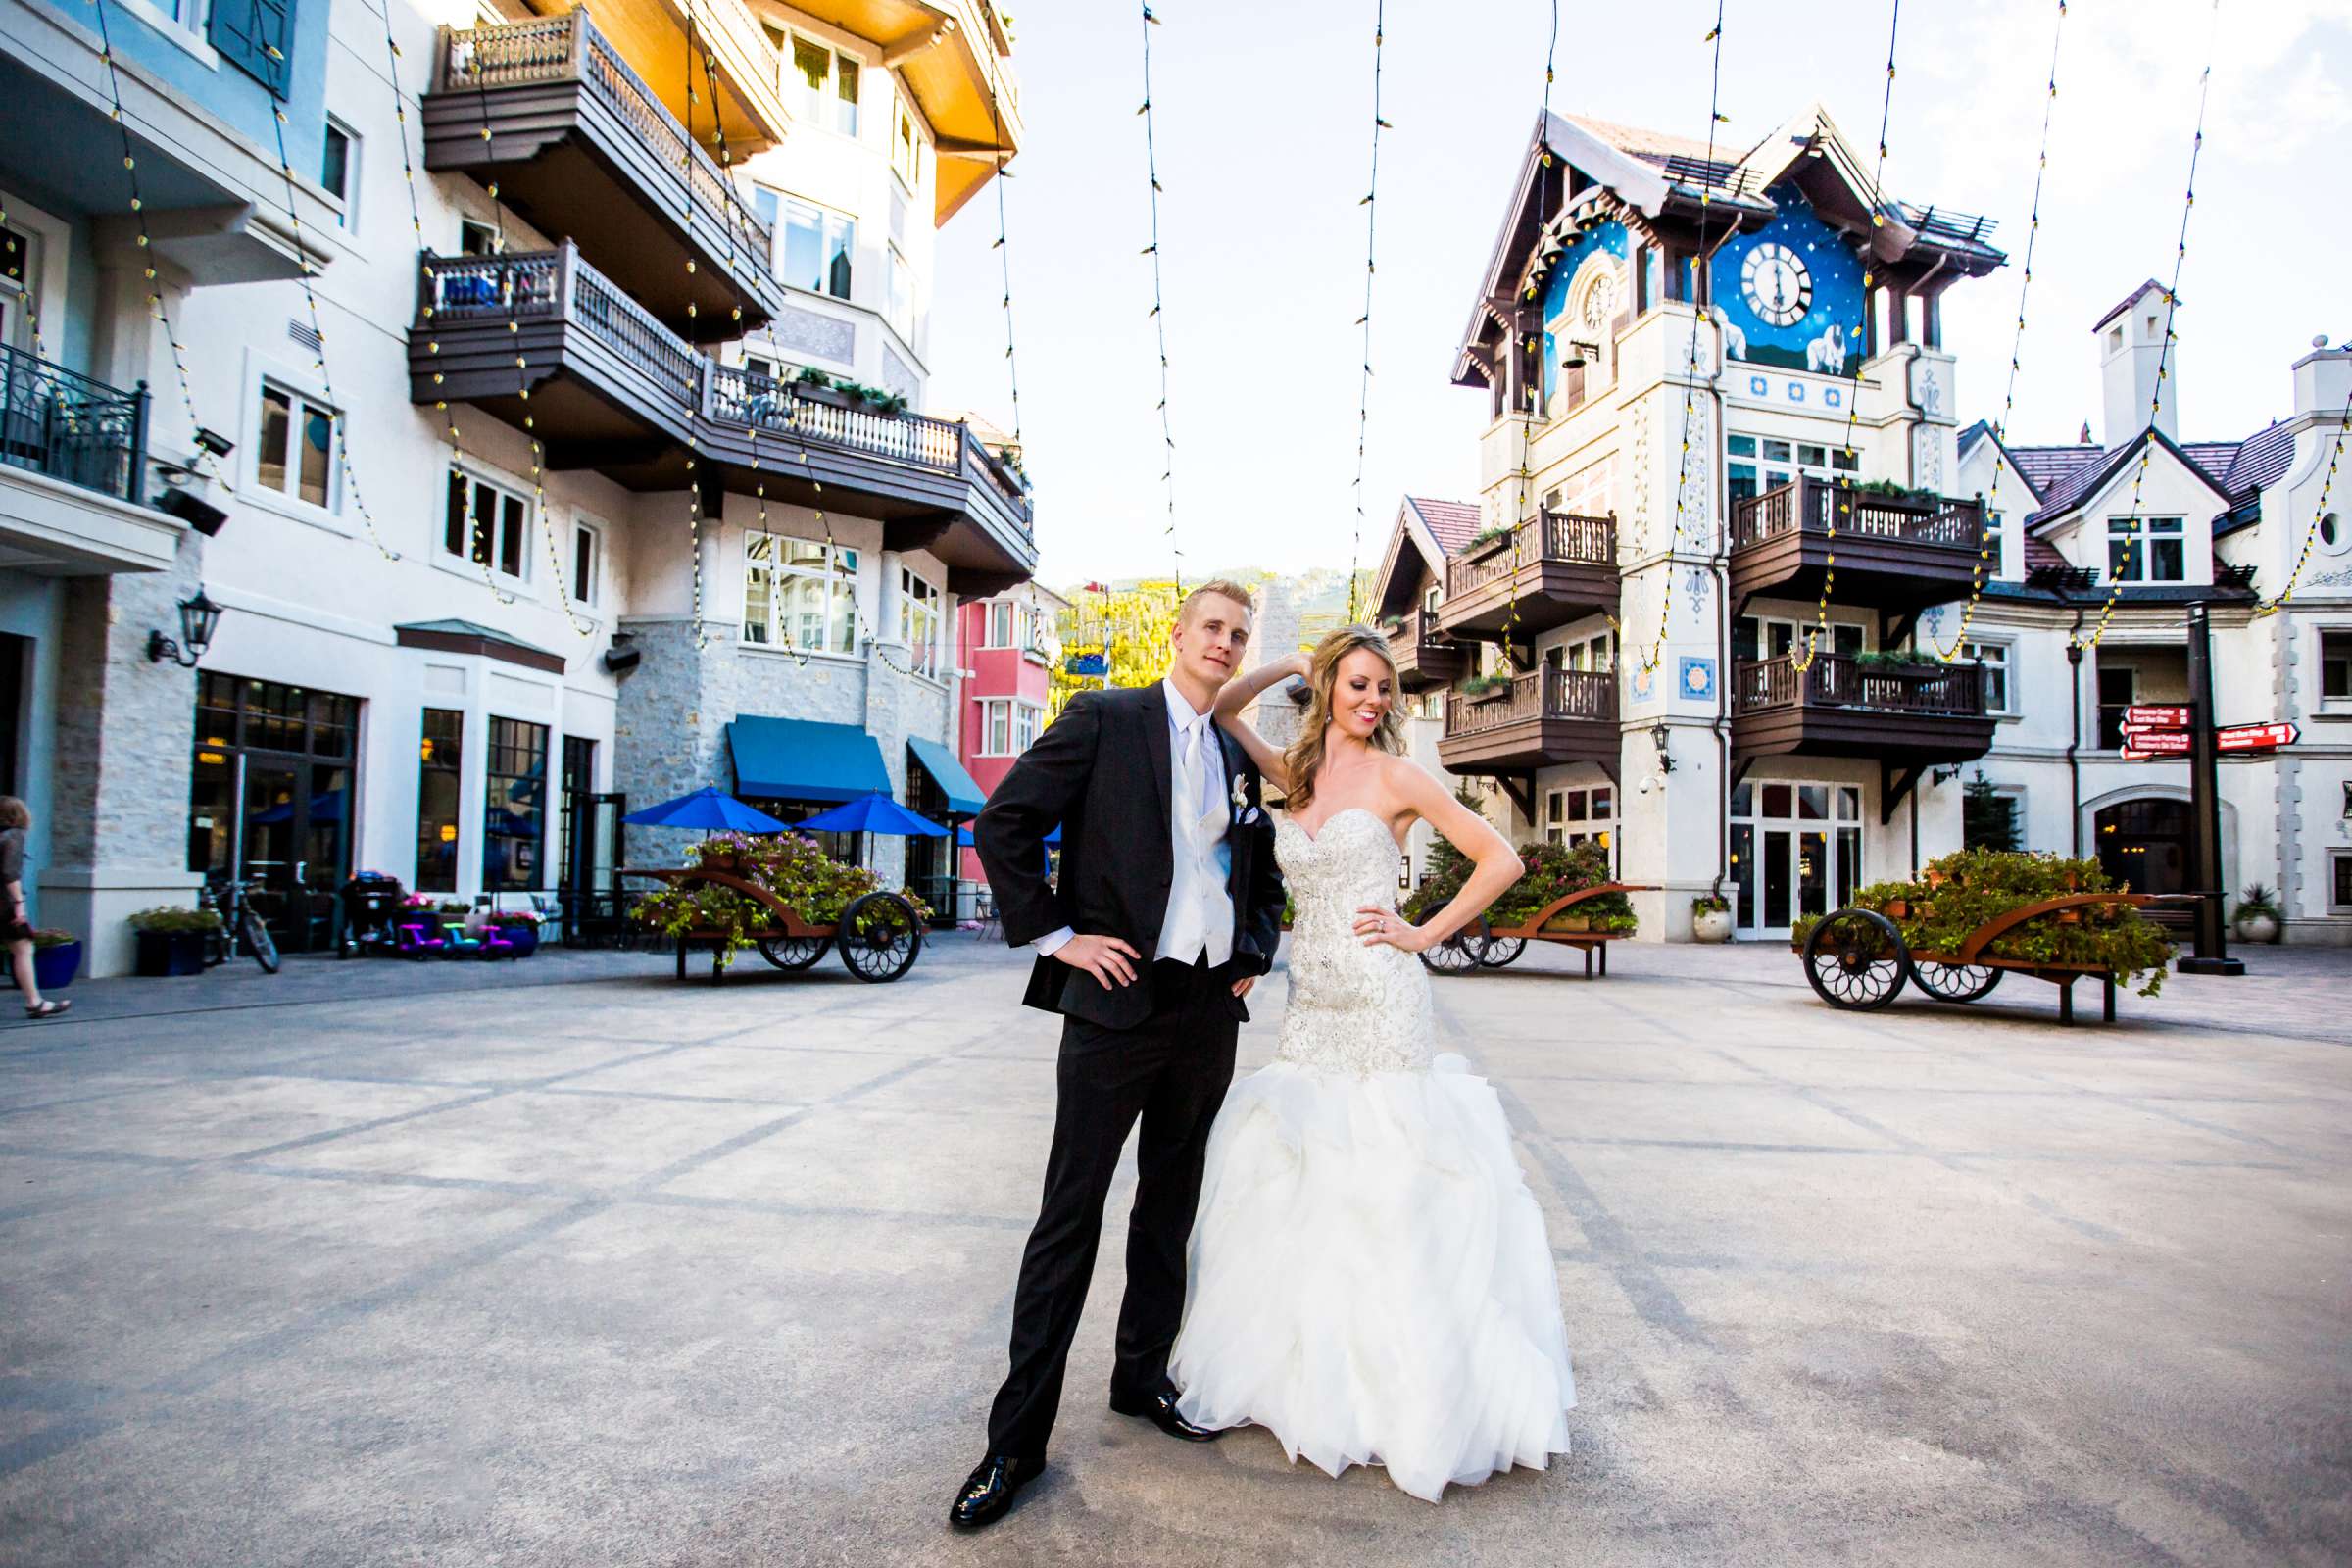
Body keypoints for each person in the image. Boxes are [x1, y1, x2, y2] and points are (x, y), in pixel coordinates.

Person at [1168, 626, 1575, 1502]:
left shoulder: (1399, 777)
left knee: (1388, 1184)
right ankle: (1302, 1380)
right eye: (1355, 683)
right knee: (1306, 1180)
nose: (1371, 699)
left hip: (1383, 1003)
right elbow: (1229, 708)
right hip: (1311, 1007)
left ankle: (1400, 1393)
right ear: (1329, 688)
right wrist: (1290, 663)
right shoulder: (1300, 776)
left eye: (1382, 688)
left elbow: (1498, 857)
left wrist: (1422, 932)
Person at [953, 580, 1289, 1530]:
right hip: (1112, 1006)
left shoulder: (1234, 755)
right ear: (1178, 636)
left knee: (1170, 1206)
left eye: (1239, 633)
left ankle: (1141, 1379)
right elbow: (1005, 819)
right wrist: (1058, 936)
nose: (1225, 643)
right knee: (1070, 1218)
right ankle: (1013, 1445)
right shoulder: (1106, 718)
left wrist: (1253, 956)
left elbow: (1258, 878)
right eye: (1212, 629)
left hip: (1205, 1011)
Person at [1, 796, 67, 1019]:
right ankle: (34, 1002)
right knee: (23, 948)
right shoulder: (14, 835)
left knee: (22, 948)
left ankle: (35, 1002)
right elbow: (10, 873)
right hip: (3, 902)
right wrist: (19, 904)